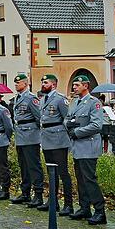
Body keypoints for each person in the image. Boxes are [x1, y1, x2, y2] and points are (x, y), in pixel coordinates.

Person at [65, 75, 107, 225]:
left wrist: (77, 131)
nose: (74, 87)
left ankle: (100, 211)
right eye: (74, 85)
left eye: (77, 85)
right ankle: (84, 208)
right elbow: (67, 119)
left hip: (88, 146)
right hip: (77, 147)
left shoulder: (93, 103)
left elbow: (97, 125)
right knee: (81, 180)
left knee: (89, 180)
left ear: (85, 86)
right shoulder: (74, 102)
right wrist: (68, 125)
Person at [36, 74, 73, 215]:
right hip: (46, 139)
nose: (43, 84)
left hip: (58, 139)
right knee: (51, 173)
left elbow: (67, 118)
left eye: (45, 82)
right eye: (42, 82)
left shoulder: (60, 99)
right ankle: (53, 201)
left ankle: (68, 204)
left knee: (63, 173)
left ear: (53, 85)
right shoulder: (42, 99)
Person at [10, 74, 44, 208]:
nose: (16, 85)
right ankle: (25, 193)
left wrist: (37, 135)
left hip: (30, 137)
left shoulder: (31, 98)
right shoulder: (17, 98)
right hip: (20, 136)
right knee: (23, 166)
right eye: (15, 83)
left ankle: (38, 194)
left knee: (33, 166)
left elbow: (38, 118)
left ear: (25, 84)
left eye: (18, 83)